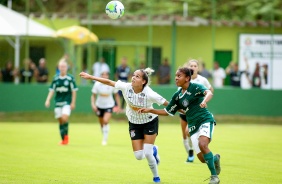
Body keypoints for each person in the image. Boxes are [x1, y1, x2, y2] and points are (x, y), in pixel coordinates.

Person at [80, 68, 169, 183]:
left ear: (143, 82)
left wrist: (186, 111)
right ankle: (154, 150)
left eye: (137, 76)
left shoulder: (150, 93)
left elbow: (169, 105)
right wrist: (91, 77)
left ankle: (156, 177)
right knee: (138, 156)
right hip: (134, 123)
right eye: (133, 75)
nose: (133, 77)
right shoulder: (126, 87)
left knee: (147, 153)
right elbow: (108, 82)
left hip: (149, 122)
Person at [138, 67, 221, 184]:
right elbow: (167, 111)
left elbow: (209, 92)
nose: (176, 78)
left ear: (187, 78)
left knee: (203, 144)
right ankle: (215, 159)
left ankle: (214, 177)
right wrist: (150, 110)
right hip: (192, 126)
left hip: (205, 120)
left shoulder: (196, 87)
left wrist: (204, 101)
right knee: (202, 159)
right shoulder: (177, 96)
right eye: (176, 76)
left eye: (179, 76)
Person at [180, 59, 214, 163]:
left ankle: (200, 149)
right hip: (185, 111)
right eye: (191, 65)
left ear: (198, 68)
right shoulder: (184, 79)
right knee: (185, 135)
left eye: (195, 66)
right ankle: (190, 153)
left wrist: (204, 100)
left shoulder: (202, 80)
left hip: (196, 112)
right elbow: (179, 93)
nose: (193, 67)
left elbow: (210, 90)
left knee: (189, 132)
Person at [45, 59, 78, 145]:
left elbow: (74, 91)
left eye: (64, 66)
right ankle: (63, 138)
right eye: (61, 66)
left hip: (67, 102)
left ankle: (66, 137)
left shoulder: (70, 78)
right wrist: (48, 100)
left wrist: (73, 102)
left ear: (67, 68)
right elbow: (52, 90)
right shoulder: (55, 78)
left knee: (64, 118)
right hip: (58, 103)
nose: (62, 68)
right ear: (58, 68)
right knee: (60, 120)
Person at [91, 71, 121, 146]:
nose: (104, 76)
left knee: (105, 121)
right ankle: (104, 134)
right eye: (103, 75)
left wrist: (118, 106)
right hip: (99, 105)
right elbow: (93, 95)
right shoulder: (97, 84)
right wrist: (93, 105)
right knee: (101, 123)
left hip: (109, 105)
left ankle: (105, 139)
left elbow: (116, 95)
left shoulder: (111, 84)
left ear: (108, 76)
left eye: (106, 75)